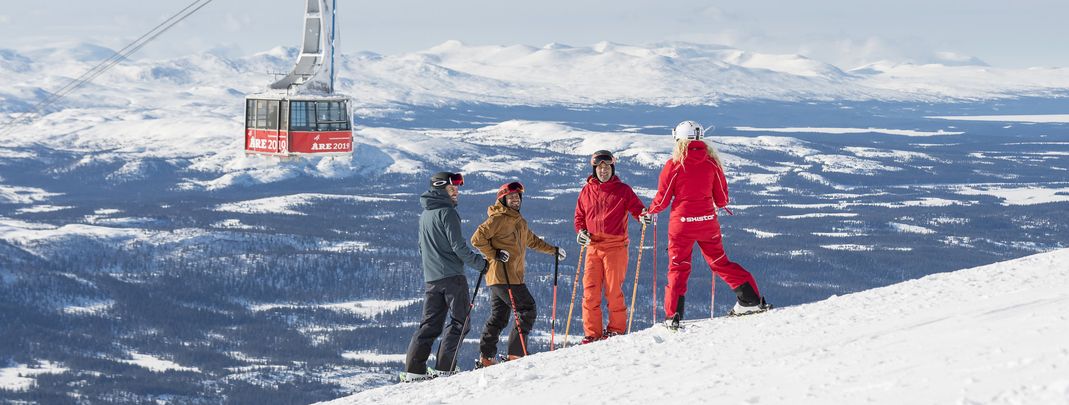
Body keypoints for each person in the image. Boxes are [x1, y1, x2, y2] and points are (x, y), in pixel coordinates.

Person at [642, 121, 772, 330]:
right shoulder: (712, 163)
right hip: (707, 223)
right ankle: (750, 300)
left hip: (682, 225)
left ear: (678, 139)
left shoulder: (674, 165)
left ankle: (673, 315)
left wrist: (650, 211)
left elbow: (663, 199)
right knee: (719, 261)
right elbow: (722, 199)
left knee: (678, 267)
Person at [401, 172, 489, 383]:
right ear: (440, 189)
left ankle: (414, 370)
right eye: (452, 188)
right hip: (452, 278)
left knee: (430, 325)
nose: (456, 192)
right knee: (460, 321)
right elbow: (458, 247)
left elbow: (422, 247)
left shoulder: (425, 214)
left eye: (456, 188)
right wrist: (481, 264)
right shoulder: (447, 213)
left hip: (432, 279)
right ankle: (444, 368)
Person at [471, 181, 566, 367]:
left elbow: (533, 241)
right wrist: (494, 254)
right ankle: (516, 353)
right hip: (503, 276)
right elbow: (477, 239)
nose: (515, 200)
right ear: (503, 200)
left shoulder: (520, 222)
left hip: (507, 277)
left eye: (517, 197)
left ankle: (486, 357)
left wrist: (553, 250)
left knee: (499, 316)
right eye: (511, 197)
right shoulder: (497, 219)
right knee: (527, 309)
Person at [574, 150, 650, 343]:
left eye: (607, 167)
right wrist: (581, 231)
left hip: (615, 246)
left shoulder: (623, 190)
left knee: (613, 290)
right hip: (593, 246)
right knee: (590, 291)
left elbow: (637, 208)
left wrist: (643, 216)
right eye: (600, 168)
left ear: (612, 169)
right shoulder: (586, 191)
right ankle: (592, 334)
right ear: (594, 170)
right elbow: (579, 217)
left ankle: (616, 329)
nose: (603, 171)